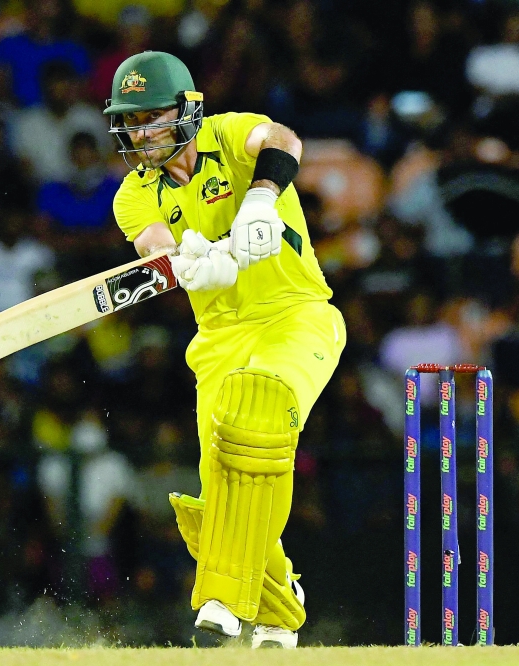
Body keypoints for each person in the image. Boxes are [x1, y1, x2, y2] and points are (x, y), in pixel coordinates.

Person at [104, 51, 345, 648]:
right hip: (217, 340)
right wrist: (191, 263)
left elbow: (282, 139)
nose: (141, 134)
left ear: (188, 112)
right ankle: (279, 606)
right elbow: (155, 246)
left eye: (153, 118)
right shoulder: (133, 195)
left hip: (298, 317)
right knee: (226, 486)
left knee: (257, 411)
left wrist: (262, 197)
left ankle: (220, 597)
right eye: (131, 123)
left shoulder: (230, 133)